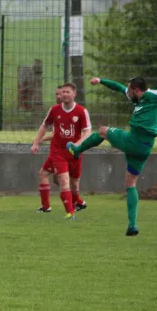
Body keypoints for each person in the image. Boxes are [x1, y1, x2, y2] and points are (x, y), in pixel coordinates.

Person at [67, 77, 157, 236]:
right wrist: (101, 81)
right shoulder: (136, 95)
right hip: (144, 148)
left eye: (129, 89)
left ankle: (77, 151)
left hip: (134, 141)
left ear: (136, 90)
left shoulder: (153, 96)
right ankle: (132, 225)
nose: (127, 91)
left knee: (103, 131)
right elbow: (118, 87)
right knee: (130, 183)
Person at [31, 83, 91, 219]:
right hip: (58, 151)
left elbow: (87, 131)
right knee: (63, 180)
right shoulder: (54, 110)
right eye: (62, 92)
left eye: (67, 92)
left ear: (74, 93)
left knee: (74, 183)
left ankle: (77, 202)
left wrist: (77, 144)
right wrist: (36, 142)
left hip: (74, 153)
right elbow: (44, 126)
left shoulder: (81, 111)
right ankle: (70, 213)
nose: (64, 94)